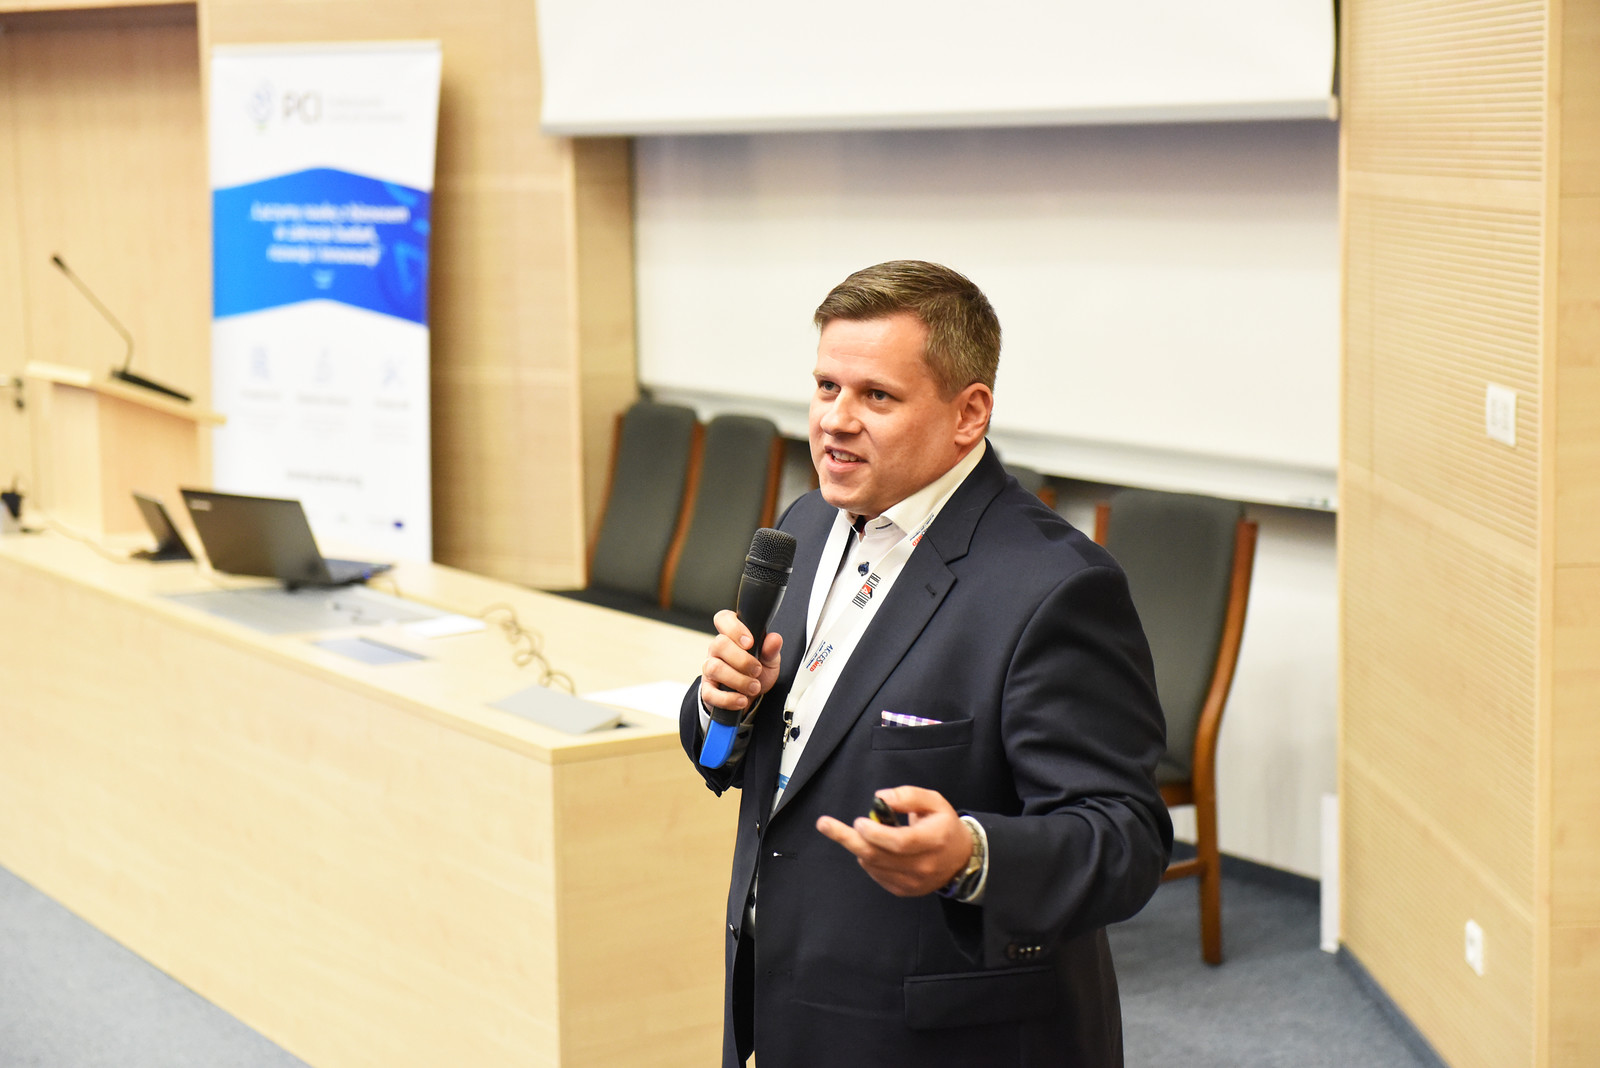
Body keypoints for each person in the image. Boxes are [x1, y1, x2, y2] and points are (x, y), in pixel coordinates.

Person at [679, 260, 1171, 1068]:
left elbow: (1126, 839)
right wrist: (722, 706)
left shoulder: (1053, 586)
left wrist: (971, 856)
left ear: (969, 413)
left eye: (876, 396)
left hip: (943, 1036)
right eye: (826, 387)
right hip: (783, 1000)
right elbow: (752, 762)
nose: (835, 421)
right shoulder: (805, 524)